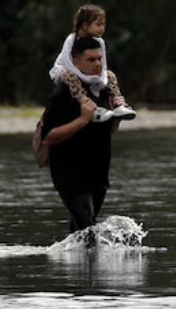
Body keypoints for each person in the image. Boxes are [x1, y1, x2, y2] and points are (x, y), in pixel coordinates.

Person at [40, 36, 121, 236]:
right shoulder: (64, 93)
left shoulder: (105, 89)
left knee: (81, 232)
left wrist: (116, 117)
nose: (97, 64)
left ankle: (69, 256)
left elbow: (108, 131)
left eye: (100, 59)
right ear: (76, 62)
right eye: (91, 60)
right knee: (88, 228)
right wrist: (83, 119)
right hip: (69, 173)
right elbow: (47, 137)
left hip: (99, 172)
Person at [49, 4, 135, 120]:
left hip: (87, 71)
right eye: (98, 24)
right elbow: (68, 63)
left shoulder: (100, 42)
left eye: (103, 25)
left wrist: (100, 79)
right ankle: (87, 104)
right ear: (85, 25)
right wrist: (85, 78)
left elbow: (103, 64)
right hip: (67, 70)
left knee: (110, 75)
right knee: (70, 76)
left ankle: (117, 103)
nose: (102, 28)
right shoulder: (71, 40)